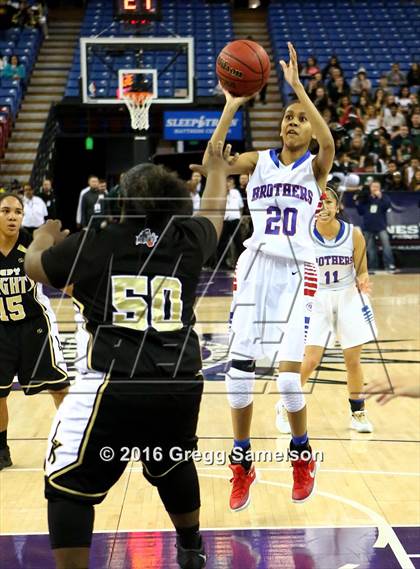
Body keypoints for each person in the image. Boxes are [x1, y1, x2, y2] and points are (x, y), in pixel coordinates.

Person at [24, 141, 235, 569]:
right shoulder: (188, 238)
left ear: (123, 200)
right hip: (180, 382)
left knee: (66, 480)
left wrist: (44, 236)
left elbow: (36, 267)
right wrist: (217, 172)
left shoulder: (98, 241)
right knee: (173, 461)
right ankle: (191, 549)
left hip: (114, 384)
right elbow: (212, 215)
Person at [191, 42, 334, 509]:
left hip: (297, 274)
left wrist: (298, 89)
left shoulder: (316, 167)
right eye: (286, 118)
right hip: (254, 269)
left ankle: (301, 454)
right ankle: (242, 462)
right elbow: (216, 159)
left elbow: (330, 143)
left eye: (298, 119)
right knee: (237, 377)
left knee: (289, 382)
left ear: (309, 130)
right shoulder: (259, 161)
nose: (290, 123)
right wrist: (230, 105)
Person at [276, 188, 377, 434]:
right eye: (319, 203)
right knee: (310, 359)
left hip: (348, 296)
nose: (323, 207)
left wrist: (363, 280)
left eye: (328, 202)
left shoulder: (354, 235)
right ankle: (284, 405)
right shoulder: (303, 235)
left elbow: (362, 269)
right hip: (316, 298)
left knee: (352, 359)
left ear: (337, 206)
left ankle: (358, 413)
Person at [0, 193, 68, 470]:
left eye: (17, 211)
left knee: (59, 387)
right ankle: (1, 447)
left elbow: (62, 277)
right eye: (6, 211)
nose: (13, 216)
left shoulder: (31, 244)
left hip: (34, 326)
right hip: (1, 329)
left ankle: (68, 442)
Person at [355, 180, 396, 272]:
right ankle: (373, 266)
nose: (375, 188)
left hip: (381, 226)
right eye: (373, 186)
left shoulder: (384, 197)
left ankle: (389, 265)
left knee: (386, 246)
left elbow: (387, 206)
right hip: (368, 227)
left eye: (377, 187)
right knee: (370, 248)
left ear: (380, 188)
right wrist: (357, 202)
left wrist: (380, 197)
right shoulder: (365, 198)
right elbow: (360, 212)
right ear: (370, 188)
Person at [216, 176, 244, 269]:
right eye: (226, 182)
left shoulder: (236, 192)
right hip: (224, 221)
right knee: (222, 243)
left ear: (232, 184)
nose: (228, 184)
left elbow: (241, 206)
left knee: (238, 243)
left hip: (235, 220)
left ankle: (242, 263)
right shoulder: (220, 193)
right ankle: (222, 264)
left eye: (230, 182)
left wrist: (239, 217)